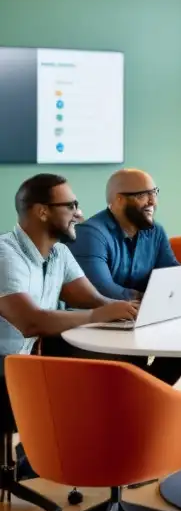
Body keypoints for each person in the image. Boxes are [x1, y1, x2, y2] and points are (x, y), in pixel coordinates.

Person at [0, 174, 138, 478]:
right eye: (71, 205)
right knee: (96, 375)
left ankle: (112, 449)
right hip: (6, 372)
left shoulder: (59, 253)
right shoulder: (5, 254)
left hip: (26, 363)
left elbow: (94, 300)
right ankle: (51, 453)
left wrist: (133, 311)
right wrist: (99, 316)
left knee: (122, 366)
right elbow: (29, 320)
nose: (80, 213)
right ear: (42, 211)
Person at [52, 169, 181, 386]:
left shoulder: (154, 231)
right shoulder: (90, 233)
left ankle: (144, 400)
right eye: (142, 195)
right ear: (118, 200)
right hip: (89, 331)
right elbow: (101, 290)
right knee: (130, 366)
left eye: (154, 192)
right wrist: (153, 298)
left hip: (131, 322)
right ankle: (139, 401)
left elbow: (171, 275)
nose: (153, 201)